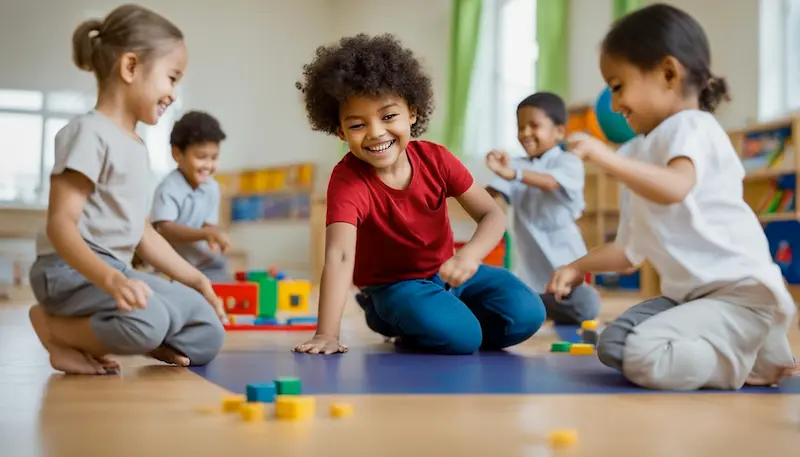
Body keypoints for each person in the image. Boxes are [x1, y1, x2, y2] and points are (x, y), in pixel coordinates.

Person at [549, 3, 798, 390]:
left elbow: (675, 187)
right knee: (613, 345)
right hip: (693, 299)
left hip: (739, 295)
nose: (614, 106)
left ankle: (747, 358)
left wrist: (604, 156)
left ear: (668, 73)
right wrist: (576, 266)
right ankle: (752, 346)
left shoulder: (692, 126)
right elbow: (628, 253)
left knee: (642, 355)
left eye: (618, 87)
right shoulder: (639, 155)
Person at [293, 33, 546, 355]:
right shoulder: (347, 180)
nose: (375, 132)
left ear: (412, 112)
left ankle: (450, 323)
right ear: (341, 131)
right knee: (462, 338)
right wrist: (326, 334)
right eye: (357, 125)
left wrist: (468, 256)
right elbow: (340, 256)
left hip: (449, 272)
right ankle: (389, 315)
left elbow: (491, 214)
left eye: (388, 116)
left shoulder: (436, 158)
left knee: (527, 313)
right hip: (395, 286)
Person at [28, 4, 226, 375]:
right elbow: (60, 225)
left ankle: (142, 335)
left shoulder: (136, 145)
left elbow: (142, 232)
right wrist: (111, 279)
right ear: (130, 66)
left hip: (114, 268)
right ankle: (54, 329)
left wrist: (196, 279)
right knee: (149, 319)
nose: (173, 92)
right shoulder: (88, 133)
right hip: (66, 270)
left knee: (206, 330)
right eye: (172, 77)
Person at [486, 92, 600, 325]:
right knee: (502, 298)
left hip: (567, 274)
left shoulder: (568, 162)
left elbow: (550, 182)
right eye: (520, 127)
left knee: (586, 305)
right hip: (529, 277)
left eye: (534, 125)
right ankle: (535, 306)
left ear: (559, 131)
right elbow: (488, 195)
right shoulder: (516, 165)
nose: (525, 133)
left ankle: (538, 308)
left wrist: (512, 174)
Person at [150, 110, 231, 282]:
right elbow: (165, 229)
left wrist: (213, 236)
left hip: (202, 265)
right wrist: (205, 234)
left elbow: (208, 227)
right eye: (201, 157)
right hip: (170, 267)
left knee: (224, 278)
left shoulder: (212, 188)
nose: (208, 165)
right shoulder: (169, 188)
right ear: (177, 154)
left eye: (214, 157)